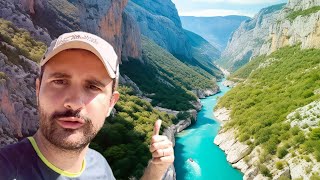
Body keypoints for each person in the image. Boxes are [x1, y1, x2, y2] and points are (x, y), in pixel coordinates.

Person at [0, 31, 174, 179]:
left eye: (92, 87)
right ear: (38, 90)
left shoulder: (100, 166)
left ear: (111, 103)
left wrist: (155, 169)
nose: (74, 102)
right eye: (59, 81)